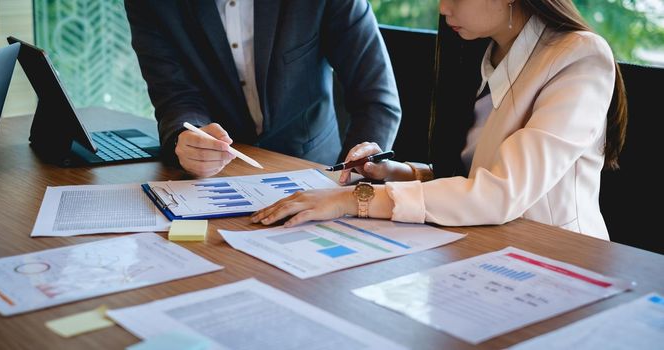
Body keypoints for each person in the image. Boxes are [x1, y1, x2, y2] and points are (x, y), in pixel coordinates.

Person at [251, 0, 628, 241]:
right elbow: (471, 172)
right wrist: (399, 173)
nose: (443, 8)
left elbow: (501, 192)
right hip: (482, 246)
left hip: (557, 261)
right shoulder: (483, 51)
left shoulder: (577, 56)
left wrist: (353, 198)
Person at [124, 0, 401, 177]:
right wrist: (186, 138)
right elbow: (175, 95)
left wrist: (350, 181)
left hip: (314, 168)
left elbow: (376, 99)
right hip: (218, 179)